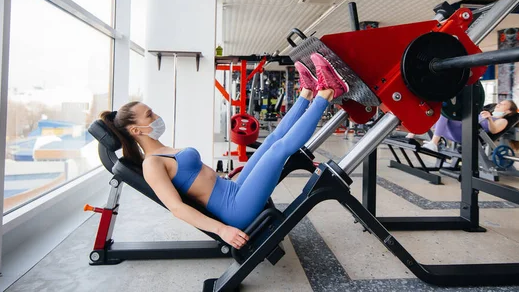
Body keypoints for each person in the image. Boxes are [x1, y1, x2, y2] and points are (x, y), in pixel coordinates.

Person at [99, 53, 348, 250]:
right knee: (279, 151)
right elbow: (177, 207)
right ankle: (327, 92)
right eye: (149, 115)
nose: (156, 116)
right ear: (136, 131)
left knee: (271, 140)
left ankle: (307, 92)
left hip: (232, 188)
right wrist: (222, 230)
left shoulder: (162, 148)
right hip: (235, 208)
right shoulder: (151, 164)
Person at [421, 100, 519, 152]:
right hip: (460, 128)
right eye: (500, 102)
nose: (499, 104)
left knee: (445, 113)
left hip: (466, 134)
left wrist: (489, 118)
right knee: (436, 112)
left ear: (508, 111)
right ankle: (412, 135)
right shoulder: (487, 112)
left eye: (503, 104)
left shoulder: (502, 120)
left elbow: (494, 130)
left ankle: (434, 143)